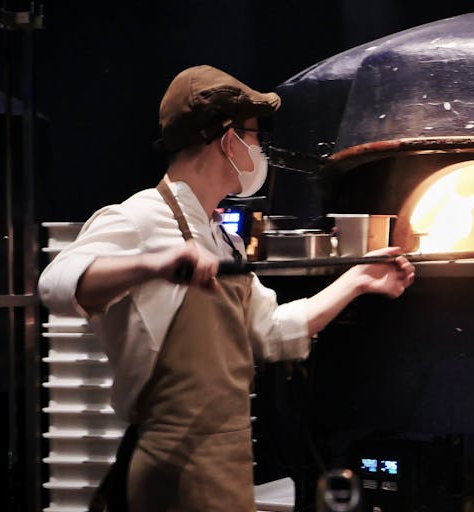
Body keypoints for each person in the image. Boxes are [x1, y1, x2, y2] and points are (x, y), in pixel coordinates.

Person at [38, 64, 416, 512]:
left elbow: (272, 331)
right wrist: (154, 265)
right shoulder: (138, 217)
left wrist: (357, 280)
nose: (260, 149)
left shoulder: (224, 238)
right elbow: (56, 284)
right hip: (174, 464)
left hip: (229, 461)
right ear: (228, 139)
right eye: (255, 136)